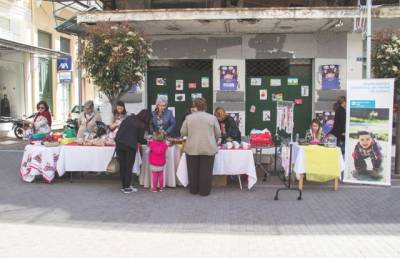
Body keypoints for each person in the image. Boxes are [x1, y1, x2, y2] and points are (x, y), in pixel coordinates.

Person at [180, 98, 221, 196]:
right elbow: (218, 133)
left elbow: (183, 132)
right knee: (206, 171)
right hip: (209, 147)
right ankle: (204, 191)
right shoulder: (212, 118)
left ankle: (193, 190)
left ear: (195, 106)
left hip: (192, 147)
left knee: (192, 170)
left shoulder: (189, 118)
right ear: (205, 106)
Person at [115, 109, 151, 194]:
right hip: (130, 146)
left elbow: (120, 129)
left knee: (123, 166)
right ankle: (127, 187)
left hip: (119, 143)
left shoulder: (129, 118)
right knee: (128, 166)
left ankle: (124, 186)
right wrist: (149, 141)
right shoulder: (141, 125)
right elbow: (141, 140)